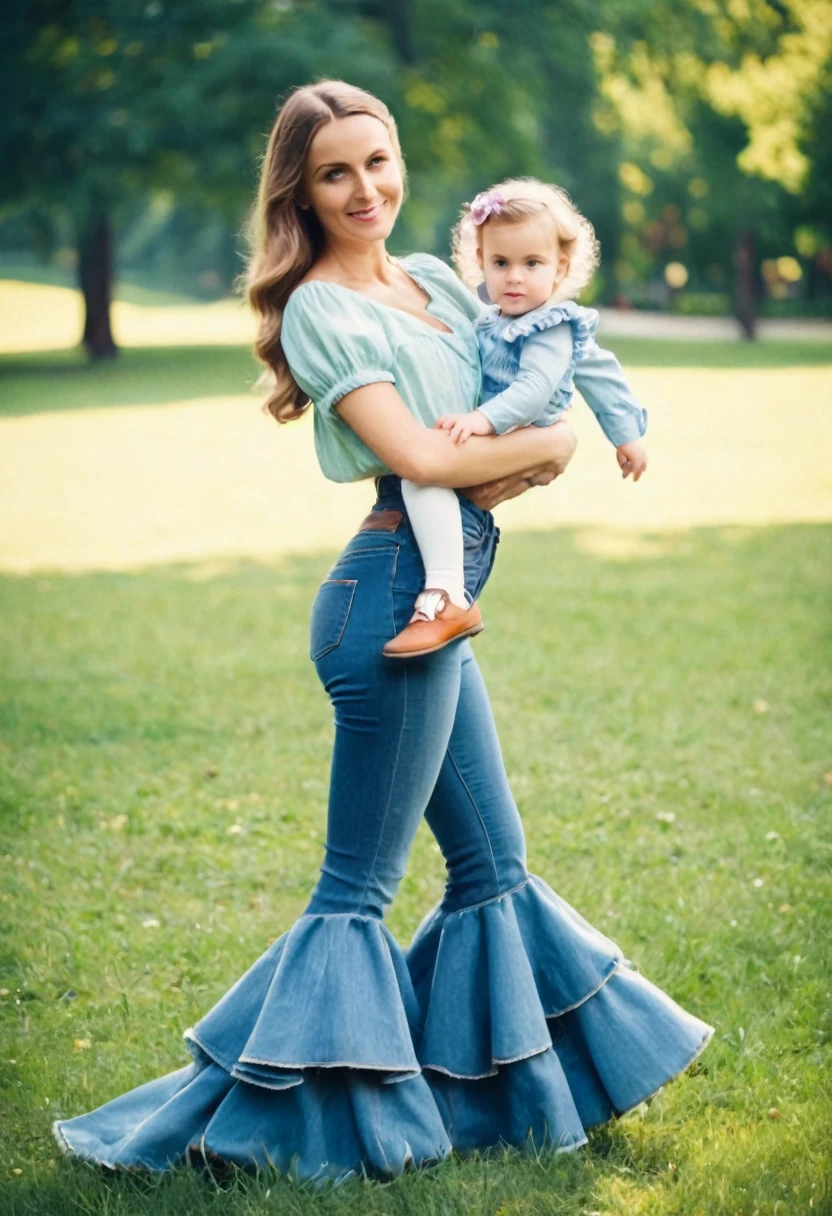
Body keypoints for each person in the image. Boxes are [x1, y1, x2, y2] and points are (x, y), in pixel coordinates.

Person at [53, 80, 713, 1187]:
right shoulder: (320, 307)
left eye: (378, 161)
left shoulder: (443, 281)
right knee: (355, 890)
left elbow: (512, 408)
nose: (366, 190)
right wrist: (551, 446)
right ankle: (251, 1126)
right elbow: (420, 458)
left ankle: (505, 1100)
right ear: (300, 192)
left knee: (492, 867)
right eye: (335, 173)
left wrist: (545, 438)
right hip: (386, 610)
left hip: (440, 602)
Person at [386, 177, 649, 658]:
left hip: (523, 428)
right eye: (500, 263)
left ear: (560, 266)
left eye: (532, 264)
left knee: (423, 474)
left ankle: (448, 595)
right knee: (429, 480)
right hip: (499, 426)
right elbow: (599, 371)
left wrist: (626, 435)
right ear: (481, 263)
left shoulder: (552, 324)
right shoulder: (492, 320)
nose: (514, 278)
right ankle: (447, 573)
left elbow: (535, 390)